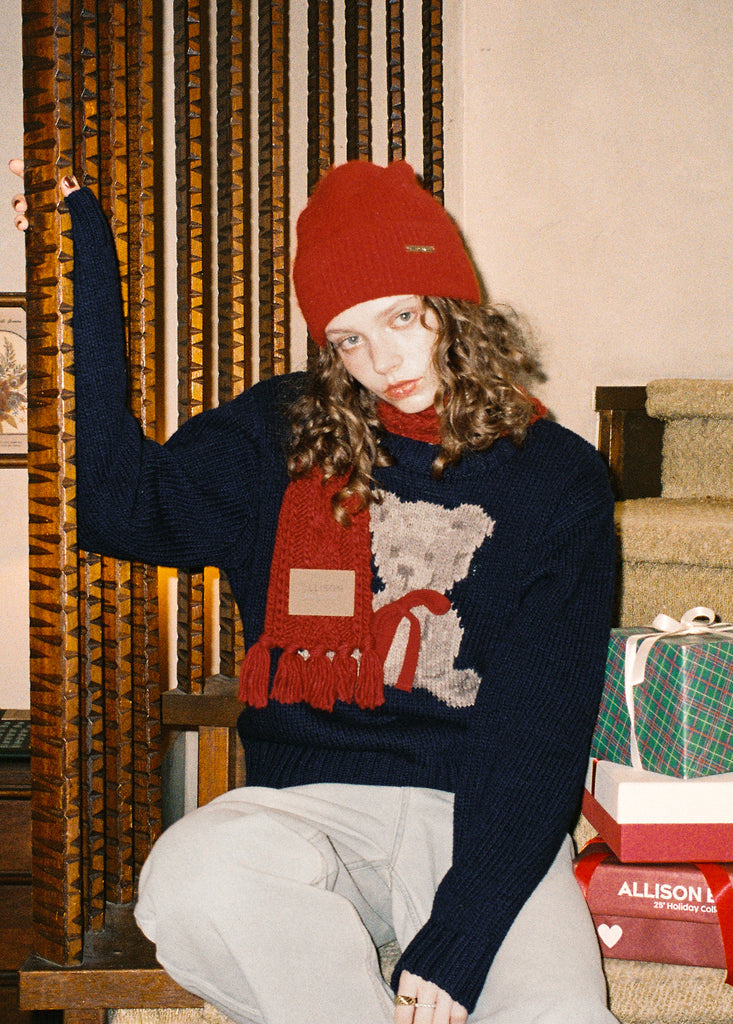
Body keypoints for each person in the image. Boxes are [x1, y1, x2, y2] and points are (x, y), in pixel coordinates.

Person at [24, 158, 617, 1024]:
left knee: (557, 1015)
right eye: (349, 339)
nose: (385, 360)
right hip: (304, 817)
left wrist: (464, 930)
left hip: (480, 814)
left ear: (453, 305)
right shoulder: (281, 434)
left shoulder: (557, 479)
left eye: (403, 317)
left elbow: (541, 721)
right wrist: (87, 277)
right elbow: (118, 509)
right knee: (191, 879)